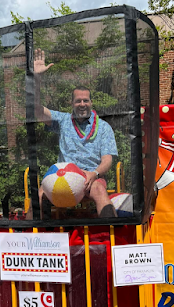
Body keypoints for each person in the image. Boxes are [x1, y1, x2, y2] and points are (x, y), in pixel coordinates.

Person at [34, 48, 118, 218]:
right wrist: (36, 78)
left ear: (91, 102)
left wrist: (94, 174)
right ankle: (30, 239)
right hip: (63, 177)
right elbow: (36, 111)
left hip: (90, 178)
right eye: (78, 101)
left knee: (100, 192)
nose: (82, 104)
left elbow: (107, 159)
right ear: (71, 103)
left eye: (85, 100)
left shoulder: (103, 127)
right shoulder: (63, 120)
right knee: (39, 196)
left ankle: (113, 237)